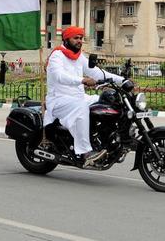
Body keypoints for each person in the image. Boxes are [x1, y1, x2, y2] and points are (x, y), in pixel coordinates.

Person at [44, 26, 124, 168]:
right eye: (76, 38)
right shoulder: (57, 55)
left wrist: (122, 80)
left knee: (105, 102)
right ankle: (85, 152)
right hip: (59, 100)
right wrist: (81, 80)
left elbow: (98, 73)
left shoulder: (79, 57)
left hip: (78, 97)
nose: (79, 41)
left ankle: (106, 140)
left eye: (81, 38)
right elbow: (59, 76)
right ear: (66, 39)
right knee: (81, 107)